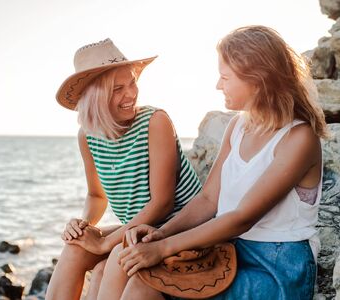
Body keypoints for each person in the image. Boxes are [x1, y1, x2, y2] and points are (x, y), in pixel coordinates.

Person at [110, 25, 328, 300]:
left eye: (225, 77)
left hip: (276, 265)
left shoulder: (299, 138)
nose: (217, 85)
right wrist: (160, 233)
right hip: (230, 249)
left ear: (258, 79)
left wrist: (163, 249)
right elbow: (208, 199)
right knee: (132, 267)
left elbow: (242, 218)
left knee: (147, 283)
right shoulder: (237, 126)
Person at [45, 38, 202, 300]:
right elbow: (96, 196)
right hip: (134, 230)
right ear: (95, 95)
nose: (130, 94)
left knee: (113, 258)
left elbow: (163, 203)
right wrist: (84, 224)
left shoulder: (155, 122)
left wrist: (106, 242)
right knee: (75, 246)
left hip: (177, 227)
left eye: (132, 83)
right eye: (118, 88)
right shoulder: (88, 136)